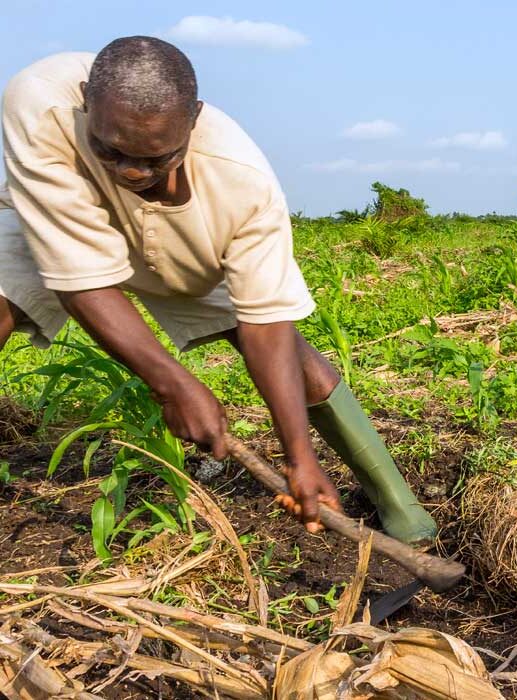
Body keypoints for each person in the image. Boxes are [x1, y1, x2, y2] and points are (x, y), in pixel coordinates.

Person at [0, 37, 438, 544]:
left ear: (194, 120)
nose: (132, 172)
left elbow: (266, 323)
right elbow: (81, 275)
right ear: (85, 102)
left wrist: (299, 456)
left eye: (156, 157)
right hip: (63, 212)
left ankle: (394, 498)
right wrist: (173, 384)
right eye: (111, 151)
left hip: (190, 236)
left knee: (295, 360)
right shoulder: (40, 102)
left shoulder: (242, 183)